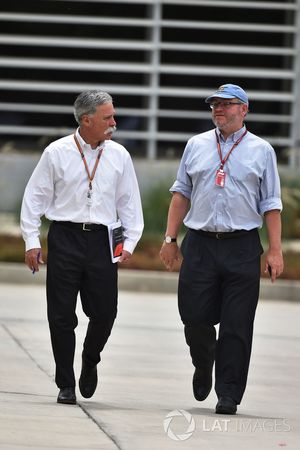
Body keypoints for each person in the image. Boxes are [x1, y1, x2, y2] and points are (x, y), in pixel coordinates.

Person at [160, 84, 283, 415]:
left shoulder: (262, 150)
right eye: (215, 104)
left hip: (242, 246)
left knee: (237, 324)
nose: (219, 109)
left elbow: (271, 204)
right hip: (199, 244)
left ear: (244, 110)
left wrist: (274, 250)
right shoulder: (196, 145)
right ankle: (203, 362)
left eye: (227, 104)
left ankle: (228, 392)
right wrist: (170, 240)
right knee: (194, 317)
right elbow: (181, 193)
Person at [20, 90, 144, 405]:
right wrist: (32, 241)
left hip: (103, 240)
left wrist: (129, 243)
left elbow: (129, 203)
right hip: (65, 237)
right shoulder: (56, 152)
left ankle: (90, 358)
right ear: (86, 120)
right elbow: (34, 198)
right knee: (61, 315)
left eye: (113, 115)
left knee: (105, 312)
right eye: (108, 117)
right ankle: (65, 383)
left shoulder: (119, 155)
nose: (114, 122)